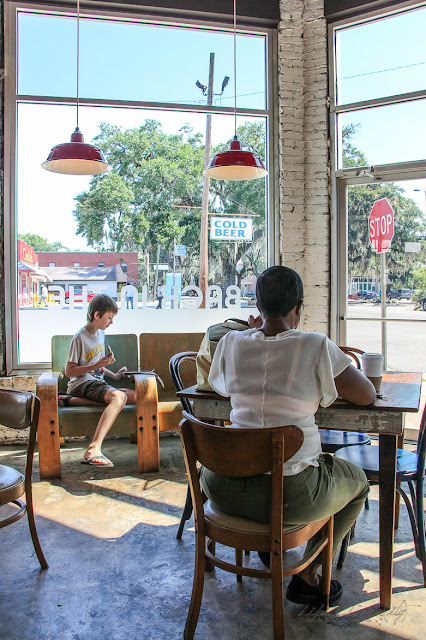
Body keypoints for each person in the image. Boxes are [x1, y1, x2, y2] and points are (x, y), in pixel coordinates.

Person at [201, 266, 375, 606]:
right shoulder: (314, 345)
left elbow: (221, 389)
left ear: (258, 305)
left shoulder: (231, 342)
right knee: (358, 483)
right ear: (298, 307)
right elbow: (366, 396)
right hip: (288, 496)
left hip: (221, 488)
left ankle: (271, 551)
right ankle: (308, 575)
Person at [63, 294, 136, 467]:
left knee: (133, 396)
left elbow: (97, 366)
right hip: (81, 383)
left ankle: (71, 402)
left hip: (96, 383)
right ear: (97, 315)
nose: (111, 322)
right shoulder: (79, 337)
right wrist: (99, 363)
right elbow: (69, 371)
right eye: (109, 318)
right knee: (119, 398)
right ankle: (93, 448)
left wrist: (114, 376)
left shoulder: (100, 333)